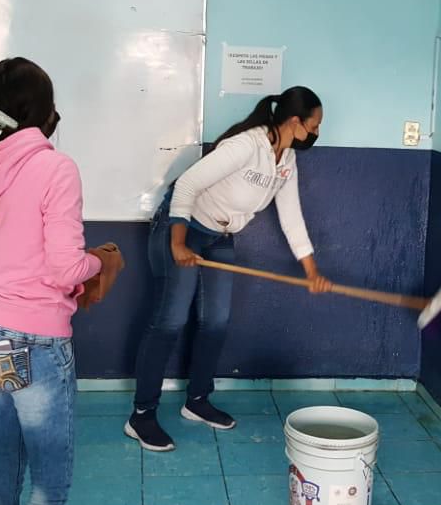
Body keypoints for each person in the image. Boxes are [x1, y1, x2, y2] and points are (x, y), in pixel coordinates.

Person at [0, 57, 124, 505]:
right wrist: (102, 260)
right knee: (50, 486)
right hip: (33, 342)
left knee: (2, 471)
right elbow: (66, 269)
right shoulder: (54, 168)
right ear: (45, 111)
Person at [126, 86, 331, 451]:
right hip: (182, 228)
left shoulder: (286, 160)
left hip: (218, 236)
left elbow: (291, 217)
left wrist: (311, 269)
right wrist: (178, 243)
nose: (316, 132)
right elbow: (187, 185)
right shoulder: (246, 145)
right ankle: (141, 416)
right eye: (314, 125)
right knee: (170, 321)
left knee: (216, 321)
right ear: (294, 121)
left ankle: (197, 401)